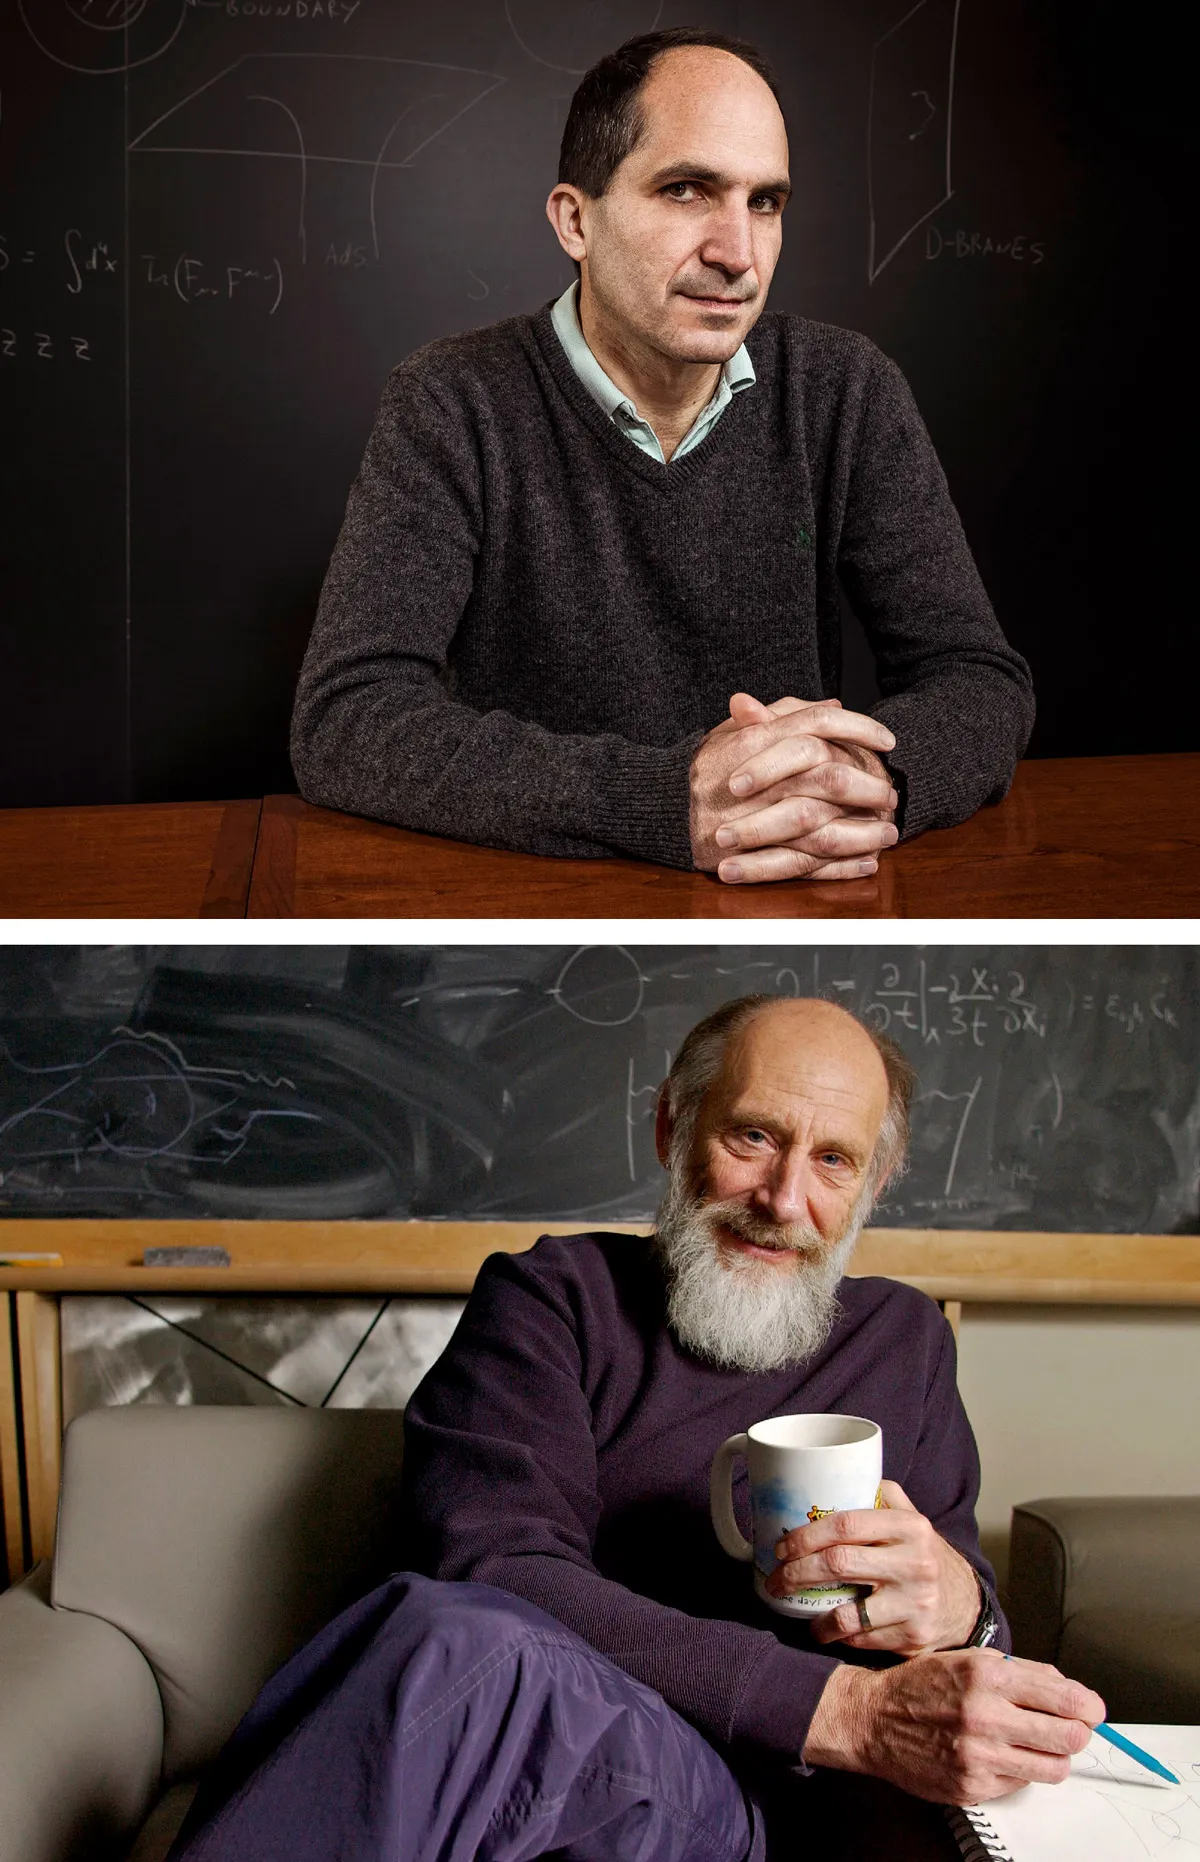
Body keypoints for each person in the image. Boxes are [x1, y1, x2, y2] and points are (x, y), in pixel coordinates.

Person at [170, 997, 1101, 1862]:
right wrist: (840, 1710)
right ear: (672, 1127)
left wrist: (966, 1610)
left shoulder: (907, 1339)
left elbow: (961, 1649)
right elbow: (497, 1569)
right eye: (753, 1136)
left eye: (833, 1160)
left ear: (875, 1183)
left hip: (800, 1819)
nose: (783, 1199)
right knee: (452, 1636)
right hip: (610, 1772)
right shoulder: (552, 1300)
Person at [290, 30, 1034, 888]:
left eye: (765, 203)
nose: (737, 254)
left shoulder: (845, 390)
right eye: (687, 191)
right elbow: (346, 721)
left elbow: (978, 678)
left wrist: (867, 782)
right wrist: (661, 799)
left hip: (791, 890)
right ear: (576, 219)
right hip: (543, 903)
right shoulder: (453, 401)